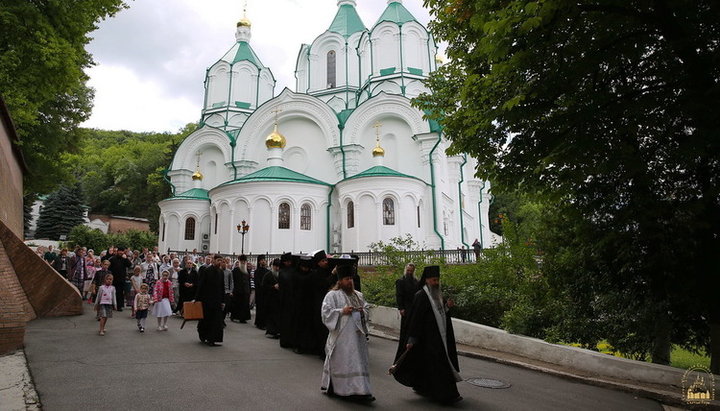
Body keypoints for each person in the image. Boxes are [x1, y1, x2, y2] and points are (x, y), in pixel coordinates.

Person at [392, 265, 463, 404]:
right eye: (433, 280)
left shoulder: (437, 294)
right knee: (438, 367)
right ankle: (447, 395)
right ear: (427, 280)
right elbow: (415, 319)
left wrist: (447, 306)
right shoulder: (421, 296)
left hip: (438, 338)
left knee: (429, 366)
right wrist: (412, 338)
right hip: (427, 339)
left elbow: (441, 313)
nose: (436, 283)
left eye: (437, 280)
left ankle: (424, 388)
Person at [320, 265, 374, 402]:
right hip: (341, 337)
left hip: (358, 336)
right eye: (346, 279)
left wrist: (362, 311)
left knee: (358, 363)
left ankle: (362, 390)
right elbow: (326, 314)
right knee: (344, 363)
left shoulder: (358, 295)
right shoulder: (332, 295)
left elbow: (367, 308)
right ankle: (342, 390)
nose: (350, 281)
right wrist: (342, 311)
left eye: (351, 278)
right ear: (340, 281)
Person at [195, 254, 225, 346]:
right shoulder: (207, 270)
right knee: (206, 320)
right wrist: (197, 299)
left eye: (221, 260)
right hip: (207, 300)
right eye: (218, 260)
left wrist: (223, 301)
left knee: (216, 321)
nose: (219, 262)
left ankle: (212, 339)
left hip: (217, 300)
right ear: (213, 260)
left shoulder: (221, 272)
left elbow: (222, 287)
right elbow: (201, 285)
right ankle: (204, 336)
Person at [262, 258, 281, 338]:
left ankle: (278, 331)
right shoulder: (268, 275)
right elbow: (264, 286)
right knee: (271, 316)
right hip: (270, 299)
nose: (277, 268)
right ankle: (271, 331)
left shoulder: (281, 275)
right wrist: (273, 287)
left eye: (278, 267)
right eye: (275, 266)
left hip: (279, 299)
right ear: (272, 266)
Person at [231, 256, 251, 323]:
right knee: (237, 304)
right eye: (242, 261)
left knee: (245, 305)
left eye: (244, 261)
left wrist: (249, 290)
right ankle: (234, 316)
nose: (243, 262)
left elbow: (248, 281)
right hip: (238, 290)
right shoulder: (235, 270)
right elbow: (232, 281)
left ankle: (243, 318)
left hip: (246, 291)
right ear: (239, 262)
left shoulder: (247, 270)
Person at [253, 255, 269, 330]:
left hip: (266, 292)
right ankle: (259, 323)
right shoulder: (257, 271)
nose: (263, 261)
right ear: (259, 261)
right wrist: (262, 287)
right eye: (262, 260)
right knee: (260, 308)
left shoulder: (267, 271)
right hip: (260, 293)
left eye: (264, 260)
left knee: (265, 308)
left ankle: (265, 323)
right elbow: (257, 282)